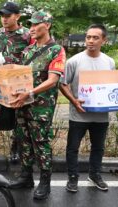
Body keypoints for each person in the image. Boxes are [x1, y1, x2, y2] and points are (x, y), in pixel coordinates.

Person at [9, 11, 66, 200]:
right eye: (30, 25)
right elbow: (19, 76)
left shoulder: (56, 50)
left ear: (47, 25)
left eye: (35, 25)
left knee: (40, 143)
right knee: (23, 140)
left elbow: (53, 80)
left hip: (41, 107)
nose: (31, 29)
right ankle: (26, 176)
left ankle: (45, 182)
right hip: (22, 104)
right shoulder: (28, 50)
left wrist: (31, 93)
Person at [60, 24, 115, 193]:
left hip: (101, 116)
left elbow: (110, 87)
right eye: (88, 37)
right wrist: (74, 101)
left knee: (98, 147)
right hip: (79, 115)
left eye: (95, 37)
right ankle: (72, 177)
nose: (90, 41)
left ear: (104, 40)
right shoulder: (74, 61)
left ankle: (95, 174)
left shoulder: (109, 62)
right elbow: (62, 83)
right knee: (72, 148)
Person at [0, 1, 32, 158]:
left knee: (19, 115)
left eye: (8, 16)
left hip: (18, 82)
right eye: (2, 16)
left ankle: (15, 148)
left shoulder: (27, 35)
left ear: (17, 16)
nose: (4, 19)